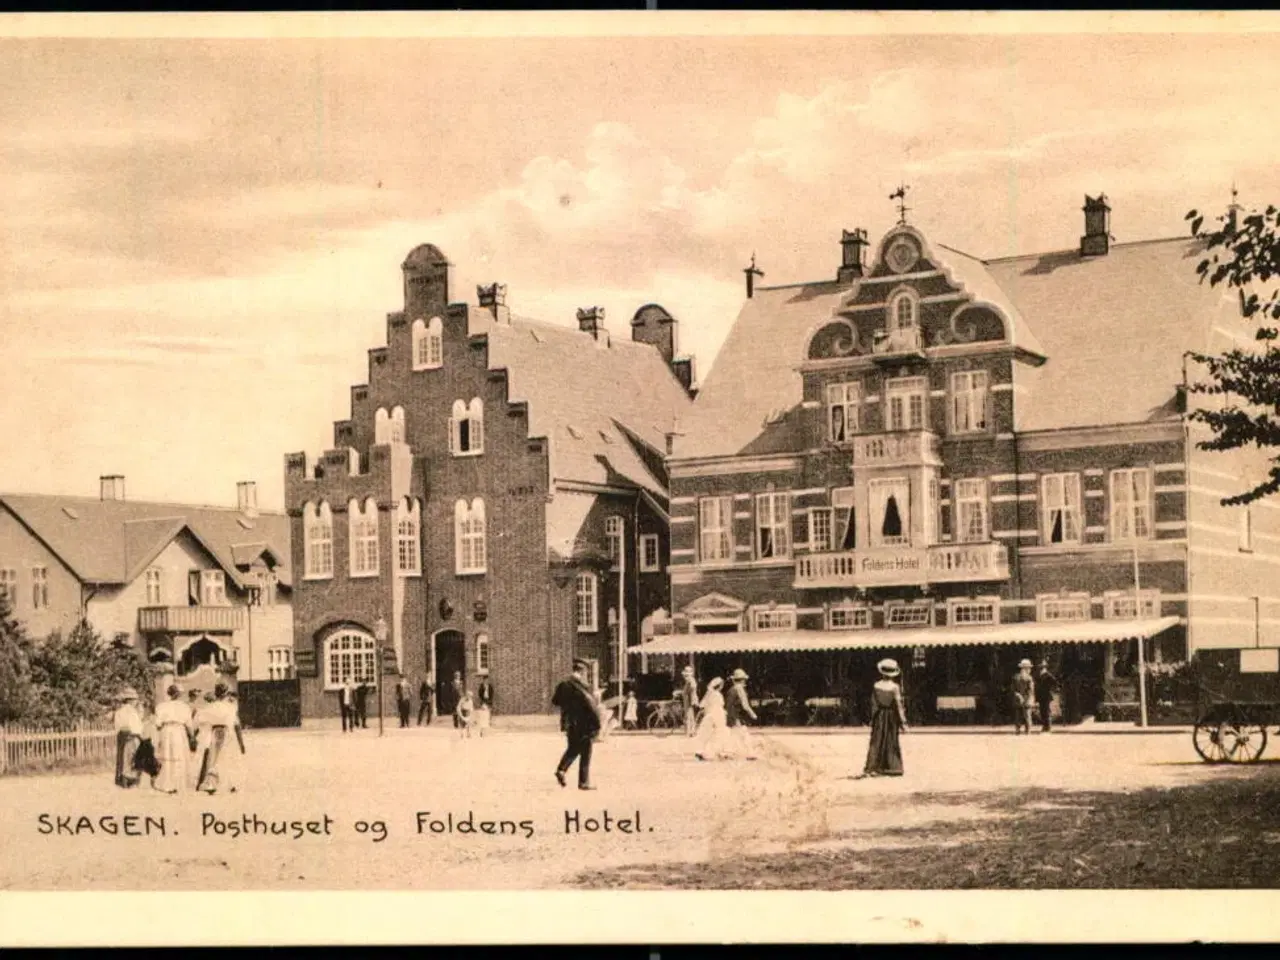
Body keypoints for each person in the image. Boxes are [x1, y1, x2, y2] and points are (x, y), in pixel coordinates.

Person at [551, 658, 601, 790]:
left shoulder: (564, 684)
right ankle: (583, 782)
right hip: (584, 725)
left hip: (569, 723)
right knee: (586, 752)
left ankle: (561, 770)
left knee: (573, 748)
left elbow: (555, 701)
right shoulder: (583, 687)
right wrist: (598, 724)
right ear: (582, 671)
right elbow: (591, 707)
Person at [858, 658, 908, 778]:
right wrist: (903, 722)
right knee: (891, 740)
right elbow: (898, 705)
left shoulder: (876, 686)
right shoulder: (895, 687)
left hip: (879, 716)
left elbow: (873, 703)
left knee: (876, 741)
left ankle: (872, 767)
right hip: (891, 716)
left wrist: (872, 718)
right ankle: (892, 767)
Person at [197, 683, 245, 794]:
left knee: (214, 757)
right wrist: (241, 743)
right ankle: (230, 783)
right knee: (227, 757)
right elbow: (237, 725)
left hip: (214, 732)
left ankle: (212, 783)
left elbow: (202, 720)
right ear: (226, 694)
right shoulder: (230, 707)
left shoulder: (210, 707)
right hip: (227, 732)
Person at [152, 684, 193, 794]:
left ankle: (167, 784)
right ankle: (177, 784)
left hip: (166, 731)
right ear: (179, 694)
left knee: (168, 756)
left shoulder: (161, 706)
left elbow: (157, 724)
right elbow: (189, 724)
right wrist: (192, 736)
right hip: (179, 731)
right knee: (178, 756)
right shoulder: (184, 707)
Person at [724, 668, 759, 760]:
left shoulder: (731, 689)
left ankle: (728, 752)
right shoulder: (740, 689)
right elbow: (745, 705)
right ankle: (750, 753)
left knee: (734, 734)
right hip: (737, 716)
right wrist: (752, 714)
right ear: (743, 680)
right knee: (744, 734)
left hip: (730, 715)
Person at [112, 688, 144, 788]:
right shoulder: (132, 712)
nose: (136, 702)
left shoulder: (119, 711)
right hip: (132, 736)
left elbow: (117, 726)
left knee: (123, 758)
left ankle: (122, 779)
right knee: (132, 758)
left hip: (122, 736)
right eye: (134, 700)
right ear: (130, 700)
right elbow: (136, 726)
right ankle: (132, 780)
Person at [693, 677, 732, 761]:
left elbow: (702, 705)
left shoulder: (709, 694)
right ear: (720, 686)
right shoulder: (718, 695)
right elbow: (719, 705)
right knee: (721, 733)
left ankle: (701, 751)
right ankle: (722, 752)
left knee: (706, 734)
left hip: (709, 715)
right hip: (718, 715)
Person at [1035, 659, 1060, 733]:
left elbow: (1055, 683)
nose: (1041, 668)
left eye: (1042, 667)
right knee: (1042, 711)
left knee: (1046, 711)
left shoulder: (1048, 675)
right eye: (1040, 667)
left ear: (1045, 667)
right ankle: (1044, 726)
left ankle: (1048, 727)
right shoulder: (1039, 675)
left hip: (1046, 696)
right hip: (1040, 696)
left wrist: (1051, 689)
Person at [1012, 659, 1035, 734]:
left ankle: (1017, 730)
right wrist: (1024, 697)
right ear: (1026, 668)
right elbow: (1030, 690)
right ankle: (1028, 730)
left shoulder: (1015, 677)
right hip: (1027, 700)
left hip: (1017, 699)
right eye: (1029, 668)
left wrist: (1018, 695)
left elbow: (1012, 689)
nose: (1030, 669)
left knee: (1018, 715)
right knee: (1027, 716)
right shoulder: (1029, 678)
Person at [680, 665, 700, 737]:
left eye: (687, 672)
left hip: (689, 700)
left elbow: (693, 687)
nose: (685, 675)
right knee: (690, 716)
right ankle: (692, 731)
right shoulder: (689, 680)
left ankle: (689, 732)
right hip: (688, 699)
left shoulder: (690, 680)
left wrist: (689, 692)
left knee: (689, 716)